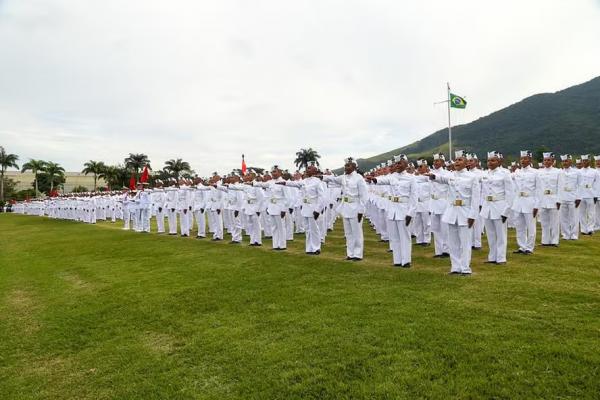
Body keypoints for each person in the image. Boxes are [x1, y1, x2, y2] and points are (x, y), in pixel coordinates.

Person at [428, 150, 481, 275]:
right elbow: (441, 178)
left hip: (465, 212)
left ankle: (465, 268)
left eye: (460, 160)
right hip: (452, 213)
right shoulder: (451, 175)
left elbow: (475, 198)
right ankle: (455, 267)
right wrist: (433, 176)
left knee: (465, 242)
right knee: (453, 242)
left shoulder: (472, 178)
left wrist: (473, 215)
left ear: (466, 162)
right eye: (456, 160)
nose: (457, 162)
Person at [368, 154, 417, 267]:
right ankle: (397, 260)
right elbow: (382, 180)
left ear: (405, 163)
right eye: (396, 163)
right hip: (393, 209)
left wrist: (410, 213)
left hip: (404, 209)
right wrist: (374, 179)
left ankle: (406, 261)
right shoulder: (392, 176)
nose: (397, 165)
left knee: (404, 236)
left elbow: (414, 198)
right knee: (394, 236)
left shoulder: (411, 178)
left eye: (399, 163)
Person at [323, 157, 369, 261]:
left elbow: (364, 196)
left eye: (348, 165)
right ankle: (350, 253)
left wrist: (361, 211)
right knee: (348, 232)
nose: (345, 167)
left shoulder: (359, 178)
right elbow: (332, 179)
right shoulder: (343, 177)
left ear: (354, 166)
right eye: (345, 165)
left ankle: (358, 254)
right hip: (346, 207)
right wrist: (321, 176)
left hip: (355, 207)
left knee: (356, 232)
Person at [281, 161, 326, 254]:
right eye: (307, 168)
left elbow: (322, 197)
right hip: (305, 208)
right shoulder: (304, 181)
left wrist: (318, 210)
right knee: (308, 229)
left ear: (315, 170)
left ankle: (316, 248)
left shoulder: (318, 182)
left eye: (309, 168)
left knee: (314, 229)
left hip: (313, 208)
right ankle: (309, 248)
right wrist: (284, 183)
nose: (307, 170)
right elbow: (295, 184)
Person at [480, 151, 514, 264]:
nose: (490, 162)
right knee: (490, 234)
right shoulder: (485, 173)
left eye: (493, 160)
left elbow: (510, 194)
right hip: (487, 207)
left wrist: (506, 211)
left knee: (501, 235)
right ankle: (492, 257)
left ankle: (501, 258)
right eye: (488, 160)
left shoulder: (505, 173)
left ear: (499, 161)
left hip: (499, 207)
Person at [254, 166, 291, 250]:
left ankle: (282, 245)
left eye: (274, 172)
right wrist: (252, 184)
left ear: (280, 172)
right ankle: (275, 245)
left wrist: (283, 209)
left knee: (281, 227)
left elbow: (287, 198)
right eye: (272, 172)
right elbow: (261, 184)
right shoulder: (270, 182)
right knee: (274, 227)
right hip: (272, 207)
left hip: (279, 207)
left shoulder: (283, 182)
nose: (273, 173)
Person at [511, 150, 538, 254]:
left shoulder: (535, 172)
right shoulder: (517, 172)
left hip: (530, 202)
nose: (523, 160)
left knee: (531, 226)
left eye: (525, 158)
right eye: (521, 158)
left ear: (530, 160)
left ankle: (529, 247)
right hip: (518, 202)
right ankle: (522, 246)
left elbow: (539, 190)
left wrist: (536, 205)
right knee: (519, 226)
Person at [536, 152, 563, 246]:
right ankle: (545, 241)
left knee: (554, 222)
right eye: (545, 160)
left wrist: (559, 200)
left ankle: (554, 241)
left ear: (553, 161)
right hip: (543, 199)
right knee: (544, 222)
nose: (546, 162)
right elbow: (538, 187)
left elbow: (560, 186)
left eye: (548, 160)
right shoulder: (539, 172)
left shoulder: (558, 172)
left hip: (553, 199)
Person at [429, 153, 450, 258]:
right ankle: (438, 251)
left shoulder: (447, 173)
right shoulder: (430, 172)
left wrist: (434, 176)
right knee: (436, 229)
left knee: (445, 228)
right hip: (433, 203)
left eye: (437, 161)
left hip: (443, 203)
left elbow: (443, 179)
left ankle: (446, 250)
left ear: (442, 162)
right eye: (434, 161)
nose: (435, 163)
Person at [558, 154, 581, 240]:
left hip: (573, 197)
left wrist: (579, 197)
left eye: (566, 161)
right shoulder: (559, 172)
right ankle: (565, 234)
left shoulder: (576, 172)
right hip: (563, 196)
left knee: (574, 217)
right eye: (563, 161)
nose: (565, 163)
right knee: (563, 217)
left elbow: (580, 185)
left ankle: (574, 235)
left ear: (570, 161)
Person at [578, 155, 598, 235]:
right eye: (583, 160)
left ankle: (590, 228)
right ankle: (583, 229)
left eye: (586, 160)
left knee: (591, 213)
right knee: (581, 213)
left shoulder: (594, 171)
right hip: (581, 195)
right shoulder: (578, 172)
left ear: (589, 161)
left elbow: (596, 184)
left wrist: (596, 195)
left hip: (591, 194)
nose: (584, 162)